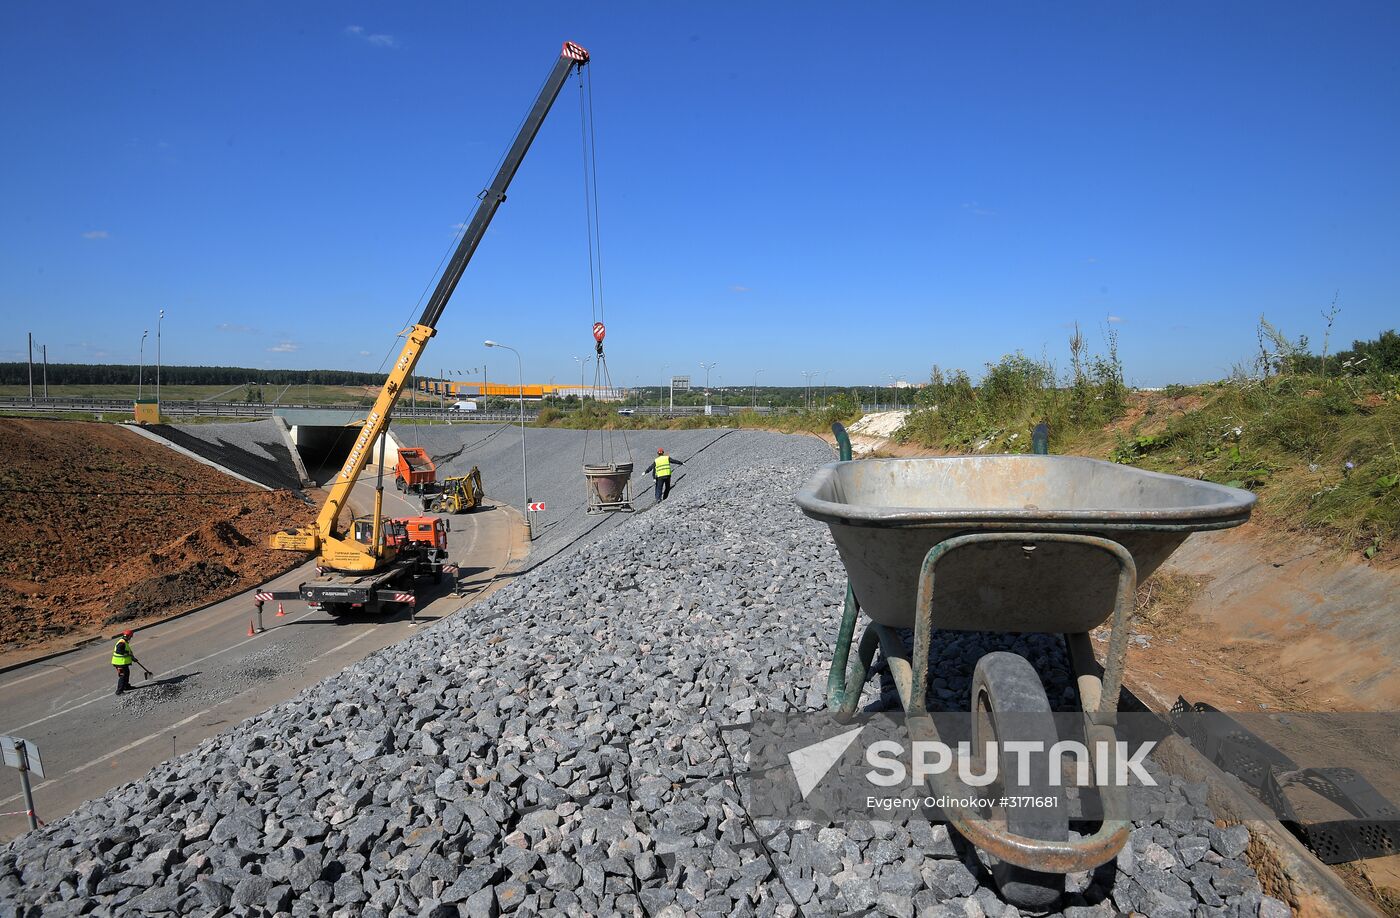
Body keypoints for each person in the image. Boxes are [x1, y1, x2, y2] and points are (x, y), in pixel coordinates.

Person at [111, 630, 142, 695]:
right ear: (128, 636)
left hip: (123, 663)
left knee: (127, 673)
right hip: (119, 663)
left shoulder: (124, 642)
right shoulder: (122, 643)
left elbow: (127, 652)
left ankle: (126, 686)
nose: (130, 638)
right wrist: (127, 653)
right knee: (122, 676)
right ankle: (119, 691)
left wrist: (133, 658)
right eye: (130, 637)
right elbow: (119, 651)